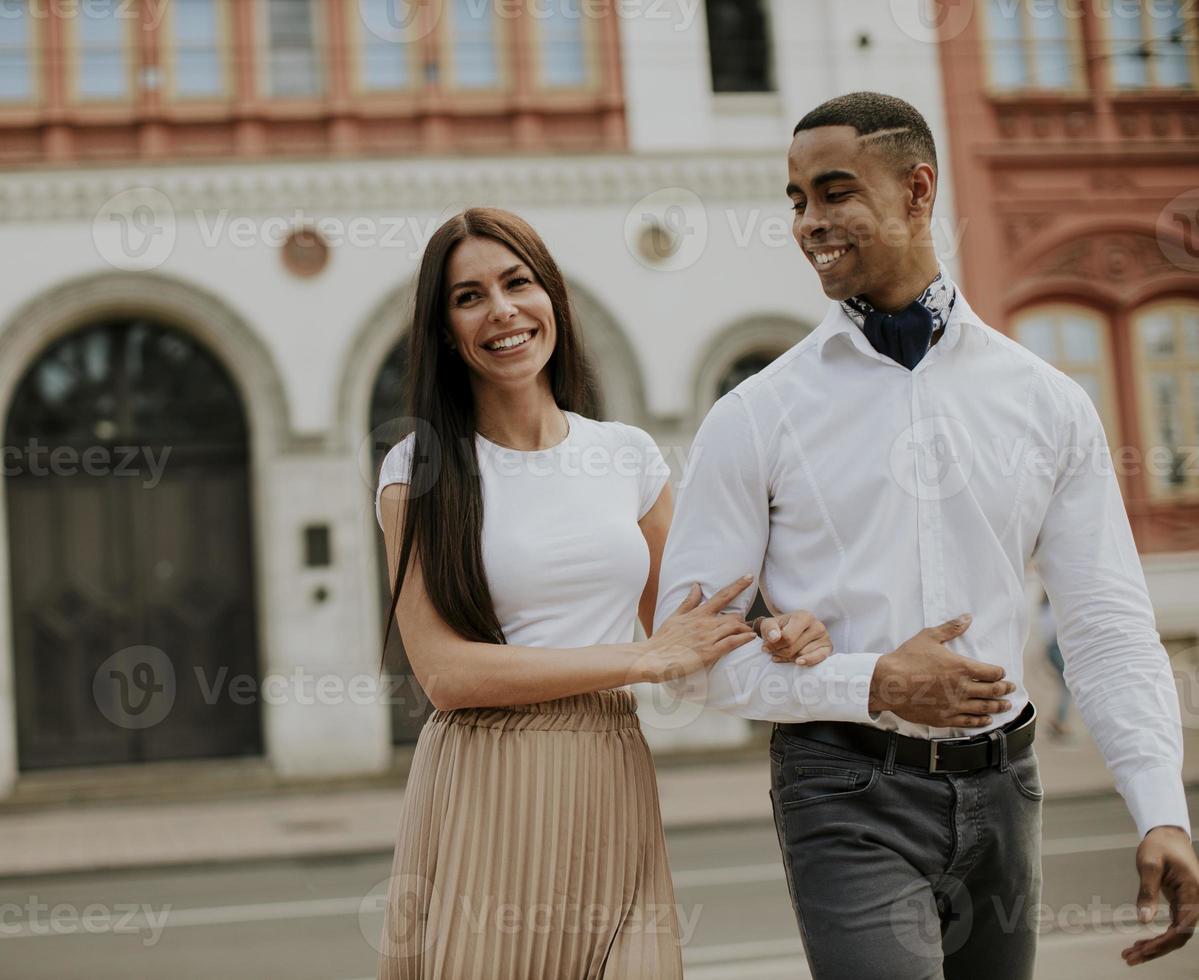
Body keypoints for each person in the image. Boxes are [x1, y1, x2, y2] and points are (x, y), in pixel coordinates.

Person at [652, 92, 1197, 978]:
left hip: (1006, 789)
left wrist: (1158, 808)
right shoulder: (754, 417)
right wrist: (871, 680)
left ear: (917, 190)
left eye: (834, 193)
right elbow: (692, 660)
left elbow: (1105, 623)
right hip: (842, 790)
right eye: (795, 200)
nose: (809, 224)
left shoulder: (1045, 401)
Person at [372, 206, 822, 978]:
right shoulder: (419, 468)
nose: (502, 310)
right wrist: (640, 659)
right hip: (487, 783)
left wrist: (786, 634)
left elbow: (692, 634)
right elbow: (445, 674)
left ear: (553, 299)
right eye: (468, 296)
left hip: (609, 773)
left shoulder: (626, 455)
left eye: (518, 282)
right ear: (445, 329)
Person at [1038, 592, 1073, 737]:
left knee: (1064, 684)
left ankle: (1058, 720)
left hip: (1051, 648)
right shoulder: (1053, 609)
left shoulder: (1043, 610)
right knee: (1067, 685)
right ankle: (1059, 721)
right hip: (1056, 648)